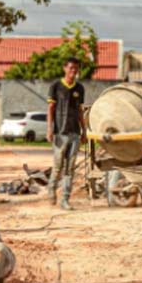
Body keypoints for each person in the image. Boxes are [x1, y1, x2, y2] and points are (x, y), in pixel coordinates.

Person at [46, 57, 87, 211]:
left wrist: (84, 130)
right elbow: (50, 109)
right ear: (65, 69)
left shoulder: (80, 88)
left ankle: (65, 199)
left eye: (76, 69)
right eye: (71, 68)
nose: (73, 71)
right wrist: (49, 129)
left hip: (75, 133)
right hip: (59, 133)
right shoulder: (56, 86)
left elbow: (80, 112)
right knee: (58, 167)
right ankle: (51, 189)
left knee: (70, 168)